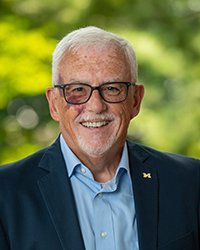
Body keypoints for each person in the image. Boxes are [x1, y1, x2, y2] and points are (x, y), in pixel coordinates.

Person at [0, 26, 199, 250]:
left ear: (135, 100)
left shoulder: (191, 182)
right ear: (54, 104)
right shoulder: (5, 194)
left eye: (112, 88)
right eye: (77, 90)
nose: (95, 106)